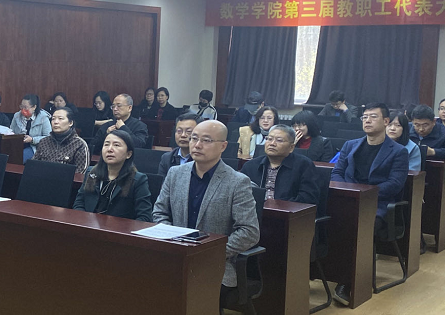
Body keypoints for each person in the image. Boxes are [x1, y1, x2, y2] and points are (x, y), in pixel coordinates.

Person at [151, 120, 260, 288]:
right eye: (194, 138)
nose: (197, 145)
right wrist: (173, 244)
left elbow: (249, 231)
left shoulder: (237, 182)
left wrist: (209, 252)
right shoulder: (175, 173)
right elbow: (159, 213)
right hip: (175, 257)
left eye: (206, 140)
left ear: (223, 146)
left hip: (214, 263)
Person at [331, 103, 409, 305]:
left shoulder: (398, 151)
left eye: (373, 117)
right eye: (364, 117)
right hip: (348, 202)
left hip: (377, 206)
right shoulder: (350, 145)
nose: (367, 120)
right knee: (322, 223)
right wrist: (349, 192)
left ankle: (346, 283)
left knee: (356, 228)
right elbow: (337, 173)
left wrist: (365, 194)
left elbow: (395, 184)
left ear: (386, 121)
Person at [73, 129, 152, 221]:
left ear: (129, 154)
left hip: (120, 229)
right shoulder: (91, 173)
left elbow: (145, 217)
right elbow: (79, 203)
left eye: (116, 145)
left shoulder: (138, 180)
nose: (109, 149)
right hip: (88, 226)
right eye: (106, 144)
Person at [240, 125, 319, 204]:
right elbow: (240, 194)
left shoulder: (304, 165)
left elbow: (308, 198)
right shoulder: (250, 166)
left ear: (291, 147)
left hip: (288, 211)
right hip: (254, 210)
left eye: (279, 140)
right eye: (269, 139)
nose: (272, 143)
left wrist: (277, 206)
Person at [33, 107, 90, 173]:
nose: (55, 122)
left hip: (67, 179)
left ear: (70, 123)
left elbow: (80, 172)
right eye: (53, 119)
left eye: (60, 119)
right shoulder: (44, 142)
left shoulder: (79, 144)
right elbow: (33, 165)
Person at [10, 94, 52, 163]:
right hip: (18, 145)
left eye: (26, 107)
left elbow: (48, 137)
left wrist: (32, 139)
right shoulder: (17, 116)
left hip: (35, 147)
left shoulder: (43, 118)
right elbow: (11, 131)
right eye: (21, 106)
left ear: (34, 107)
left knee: (20, 158)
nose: (23, 110)